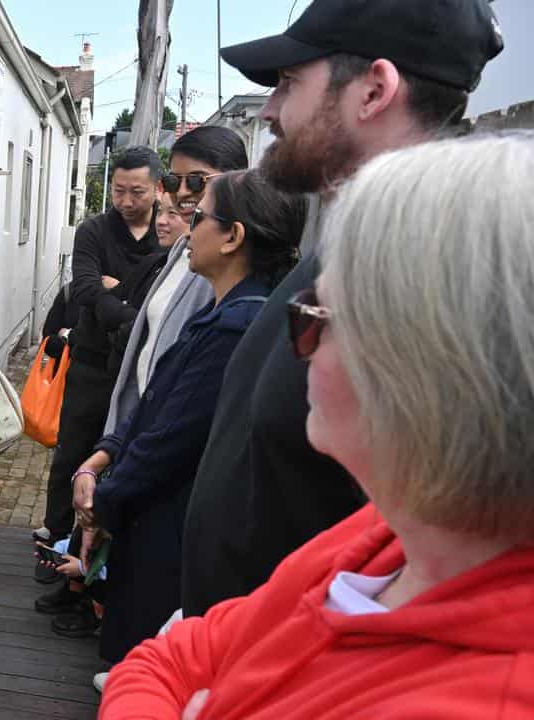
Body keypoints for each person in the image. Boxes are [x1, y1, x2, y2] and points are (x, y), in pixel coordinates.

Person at [100, 132, 534, 720]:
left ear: (438, 362)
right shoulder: (375, 544)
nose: (297, 354)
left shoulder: (481, 696)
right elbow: (166, 658)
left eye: (312, 318)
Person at [181, 0, 505, 619]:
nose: (270, 110)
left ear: (374, 90)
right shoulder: (348, 243)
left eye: (288, 82)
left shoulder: (431, 282)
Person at [74, 171, 304, 672]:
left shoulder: (236, 329)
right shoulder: (227, 314)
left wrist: (102, 506)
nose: (186, 226)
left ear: (233, 237)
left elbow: (170, 439)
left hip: (169, 534)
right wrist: (108, 450)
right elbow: (158, 404)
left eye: (199, 217)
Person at [36, 190, 189, 634]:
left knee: (109, 492)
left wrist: (115, 295)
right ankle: (68, 572)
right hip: (96, 374)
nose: (164, 222)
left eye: (176, 214)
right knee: (74, 464)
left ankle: (89, 594)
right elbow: (86, 290)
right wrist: (118, 301)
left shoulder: (181, 272)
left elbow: (125, 311)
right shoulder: (122, 245)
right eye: (163, 212)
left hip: (142, 404)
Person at [36, 147, 160, 580]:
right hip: (90, 360)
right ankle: (52, 541)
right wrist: (137, 307)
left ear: (157, 188)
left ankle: (96, 559)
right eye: (118, 191)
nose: (125, 201)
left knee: (119, 458)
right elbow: (87, 289)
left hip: (141, 365)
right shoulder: (93, 230)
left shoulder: (168, 232)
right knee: (72, 451)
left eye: (136, 192)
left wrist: (117, 290)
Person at [103, 127, 247, 440]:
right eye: (172, 181)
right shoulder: (182, 251)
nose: (182, 192)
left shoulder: (230, 263)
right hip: (141, 424)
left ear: (236, 179)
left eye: (196, 180)